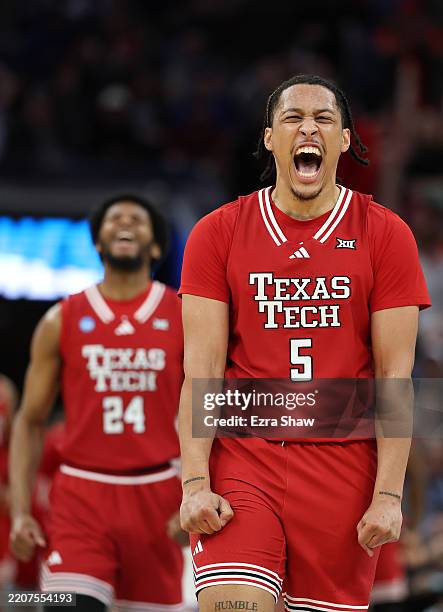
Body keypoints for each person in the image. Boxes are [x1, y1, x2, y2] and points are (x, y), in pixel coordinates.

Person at [178, 75, 431, 611]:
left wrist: (389, 494)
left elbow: (394, 379)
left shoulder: (386, 234)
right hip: (245, 461)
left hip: (344, 472)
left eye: (324, 119)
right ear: (271, 138)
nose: (308, 128)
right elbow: (200, 373)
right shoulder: (217, 233)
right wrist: (195, 482)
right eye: (293, 118)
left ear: (344, 141)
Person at [9, 195, 185, 611]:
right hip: (81, 495)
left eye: (137, 220)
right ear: (98, 244)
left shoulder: (183, 314)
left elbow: (212, 411)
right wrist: (20, 511)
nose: (125, 223)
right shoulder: (62, 319)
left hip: (158, 494)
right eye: (114, 219)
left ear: (156, 247)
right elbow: (29, 421)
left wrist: (198, 493)